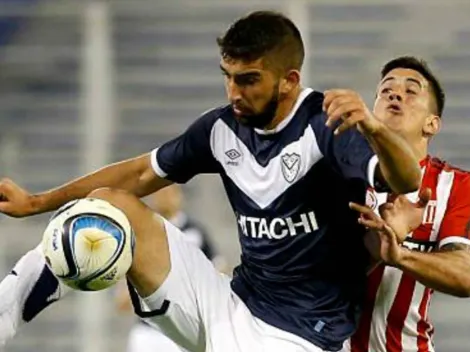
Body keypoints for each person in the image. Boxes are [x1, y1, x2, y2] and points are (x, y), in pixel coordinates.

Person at [0, 11, 421, 352]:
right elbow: (141, 173)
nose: (234, 92)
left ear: (289, 79)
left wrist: (375, 128)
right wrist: (36, 203)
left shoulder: (327, 125)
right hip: (229, 303)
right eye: (228, 76)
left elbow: (405, 180)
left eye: (249, 79)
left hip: (302, 336)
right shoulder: (221, 129)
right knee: (110, 204)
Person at [342, 56, 470, 352]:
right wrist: (376, 247)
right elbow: (311, 273)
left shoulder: (457, 186)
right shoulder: (340, 173)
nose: (395, 94)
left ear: (432, 123)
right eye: (385, 90)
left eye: (411, 91)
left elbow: (465, 274)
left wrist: (398, 255)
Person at [115, 184, 227, 352]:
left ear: (179, 195)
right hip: (147, 331)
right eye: (159, 192)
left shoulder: (195, 232)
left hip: (183, 332)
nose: (164, 196)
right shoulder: (140, 232)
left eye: (168, 191)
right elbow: (124, 292)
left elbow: (220, 269)